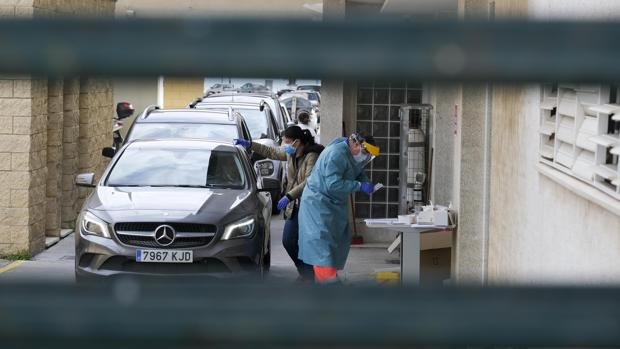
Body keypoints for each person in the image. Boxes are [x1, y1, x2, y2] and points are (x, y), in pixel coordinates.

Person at [234, 126, 324, 281]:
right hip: (294, 206)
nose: (283, 144)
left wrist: (289, 196)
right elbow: (272, 152)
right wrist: (250, 144)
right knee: (288, 241)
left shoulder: (312, 156)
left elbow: (310, 182)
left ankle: (311, 276)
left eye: (286, 141)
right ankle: (306, 272)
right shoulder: (290, 153)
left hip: (309, 206)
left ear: (297, 142)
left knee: (306, 243)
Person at [297, 132, 380, 284]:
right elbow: (333, 184)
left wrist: (366, 182)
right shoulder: (336, 154)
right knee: (322, 248)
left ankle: (328, 284)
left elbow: (358, 171)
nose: (365, 157)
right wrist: (359, 186)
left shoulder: (353, 154)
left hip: (332, 205)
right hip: (318, 205)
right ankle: (330, 286)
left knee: (334, 245)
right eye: (365, 153)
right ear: (355, 144)